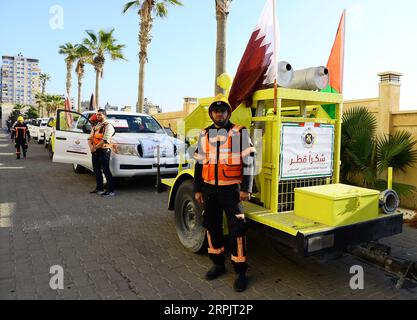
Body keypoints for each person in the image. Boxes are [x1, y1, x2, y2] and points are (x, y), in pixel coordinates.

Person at [193, 94, 256, 292]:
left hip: (232, 190)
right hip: (209, 189)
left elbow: (249, 162)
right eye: (215, 111)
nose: (219, 114)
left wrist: (246, 188)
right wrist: (197, 189)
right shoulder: (204, 134)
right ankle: (218, 264)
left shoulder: (239, 132)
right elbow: (198, 163)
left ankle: (240, 271)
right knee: (212, 226)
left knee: (237, 229)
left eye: (222, 111)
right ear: (211, 114)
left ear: (228, 113)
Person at [87, 109, 116, 197]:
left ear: (104, 115)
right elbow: (90, 138)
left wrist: (94, 148)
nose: (98, 116)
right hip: (95, 151)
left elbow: (105, 139)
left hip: (104, 151)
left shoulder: (108, 126)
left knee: (106, 170)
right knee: (96, 170)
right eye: (97, 115)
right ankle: (99, 188)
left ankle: (110, 190)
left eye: (100, 115)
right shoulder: (96, 126)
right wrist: (91, 147)